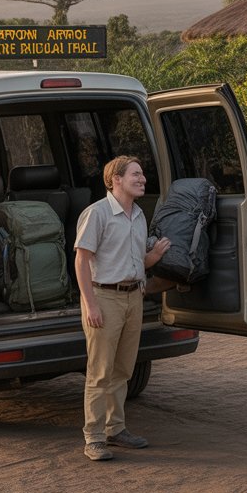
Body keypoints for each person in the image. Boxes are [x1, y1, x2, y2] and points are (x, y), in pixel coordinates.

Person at [74, 155, 172, 462]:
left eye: (142, 175)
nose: (143, 179)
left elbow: (133, 262)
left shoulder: (139, 215)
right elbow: (81, 260)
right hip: (105, 298)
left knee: (123, 369)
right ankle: (94, 437)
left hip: (133, 297)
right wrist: (90, 304)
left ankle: (116, 429)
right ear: (116, 179)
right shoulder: (97, 214)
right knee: (100, 371)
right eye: (136, 174)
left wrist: (153, 257)